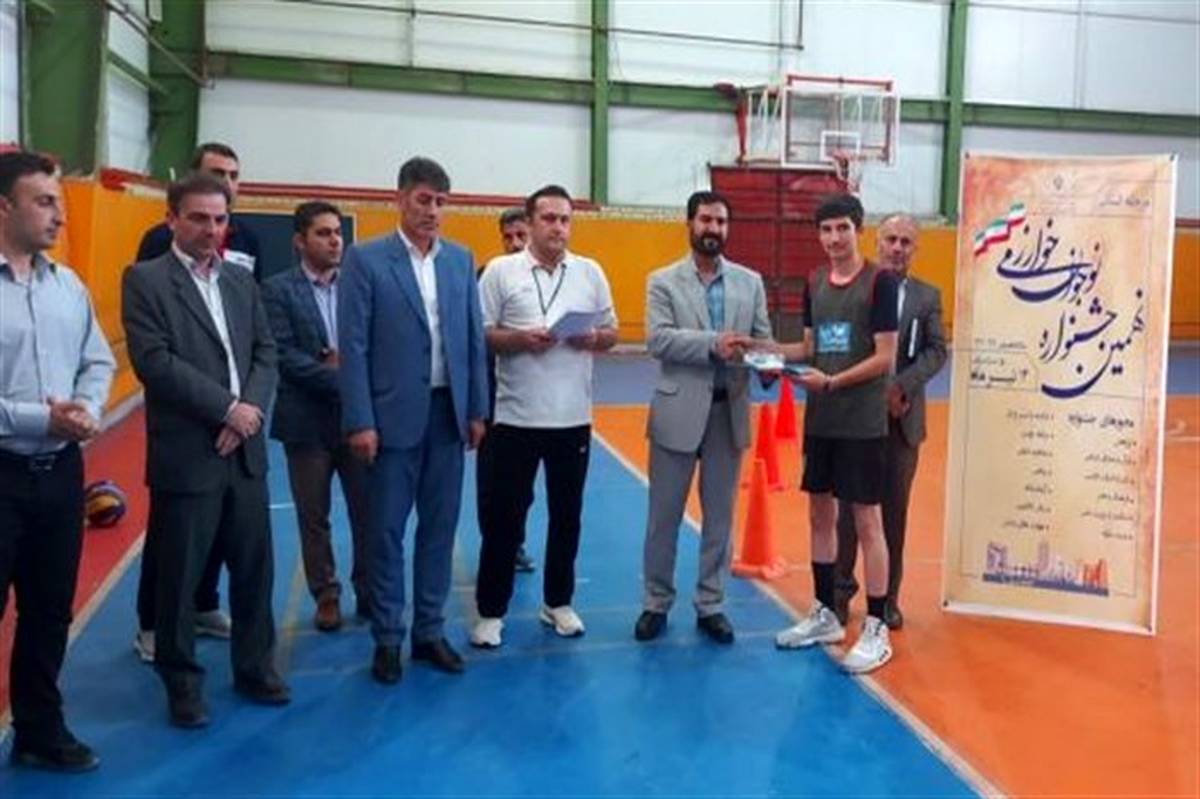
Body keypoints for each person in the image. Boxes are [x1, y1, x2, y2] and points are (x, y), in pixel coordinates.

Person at [122, 173, 287, 728]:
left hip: (245, 452)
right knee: (180, 578)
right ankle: (183, 684)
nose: (210, 229)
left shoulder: (240, 280)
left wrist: (249, 413)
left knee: (255, 570)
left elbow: (266, 351)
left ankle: (255, 667)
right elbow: (155, 362)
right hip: (189, 452)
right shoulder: (145, 281)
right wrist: (227, 409)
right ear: (171, 219)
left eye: (219, 219)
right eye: (198, 218)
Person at [339, 156, 488, 684]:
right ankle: (387, 637)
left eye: (441, 202)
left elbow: (473, 340)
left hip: (448, 415)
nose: (433, 211)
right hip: (389, 419)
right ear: (400, 199)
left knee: (440, 531)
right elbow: (353, 347)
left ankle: (429, 631)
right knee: (385, 533)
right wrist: (360, 419)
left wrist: (477, 408)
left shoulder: (460, 260)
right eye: (424, 200)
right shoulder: (365, 260)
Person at [0, 150, 114, 772]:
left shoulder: (67, 286)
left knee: (49, 610)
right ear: (4, 208)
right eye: (44, 201)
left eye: (60, 202)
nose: (59, 215)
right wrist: (40, 418)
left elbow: (97, 361)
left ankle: (39, 729)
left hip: (60, 474)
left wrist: (87, 409)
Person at [471, 185, 617, 648]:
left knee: (567, 516)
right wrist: (519, 340)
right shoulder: (500, 272)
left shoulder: (591, 271)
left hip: (573, 419)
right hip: (515, 418)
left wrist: (593, 338)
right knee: (504, 519)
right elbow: (480, 333)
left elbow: (612, 332)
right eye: (549, 218)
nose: (558, 227)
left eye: (565, 219)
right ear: (531, 223)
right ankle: (490, 611)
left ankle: (558, 602)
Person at [132, 141, 259, 659]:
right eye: (216, 173)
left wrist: (245, 411)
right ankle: (154, 623)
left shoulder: (245, 242)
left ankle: (205, 604)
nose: (225, 182)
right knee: (172, 537)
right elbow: (162, 344)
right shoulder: (155, 251)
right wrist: (223, 408)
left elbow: (253, 335)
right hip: (188, 422)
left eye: (233, 175)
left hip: (240, 425)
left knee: (228, 534)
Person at [634, 190, 771, 645]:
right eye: (706, 220)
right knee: (663, 518)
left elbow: (762, 339)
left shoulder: (750, 282)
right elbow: (659, 340)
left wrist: (770, 366)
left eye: (721, 222)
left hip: (728, 414)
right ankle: (656, 602)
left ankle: (711, 603)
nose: (714, 229)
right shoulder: (662, 281)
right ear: (690, 224)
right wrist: (713, 344)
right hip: (677, 412)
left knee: (719, 520)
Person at [772, 193, 899, 675]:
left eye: (842, 228)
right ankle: (826, 613)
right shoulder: (814, 283)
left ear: (858, 230)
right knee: (819, 515)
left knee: (867, 521)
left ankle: (877, 626)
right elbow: (807, 347)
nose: (834, 238)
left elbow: (885, 356)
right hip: (822, 422)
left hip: (861, 422)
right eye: (825, 230)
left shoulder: (880, 282)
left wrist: (831, 382)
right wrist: (760, 349)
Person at [834, 214, 947, 630]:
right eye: (891, 240)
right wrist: (868, 391)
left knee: (894, 515)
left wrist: (902, 386)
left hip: (903, 425)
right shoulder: (855, 288)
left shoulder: (927, 297)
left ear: (915, 249)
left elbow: (936, 351)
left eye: (906, 242)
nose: (897, 248)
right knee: (849, 514)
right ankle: (839, 594)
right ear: (876, 243)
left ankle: (886, 601)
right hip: (856, 421)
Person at [262, 201, 371, 632]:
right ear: (299, 241)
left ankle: (369, 589)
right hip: (305, 422)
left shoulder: (359, 285)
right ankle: (326, 595)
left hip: (357, 419)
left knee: (368, 512)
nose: (334, 241)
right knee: (313, 517)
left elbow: (374, 343)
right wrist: (345, 375)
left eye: (338, 233)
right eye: (323, 233)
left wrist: (346, 369)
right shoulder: (276, 290)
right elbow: (282, 354)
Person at [478, 207, 535, 575]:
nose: (514, 244)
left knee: (523, 484)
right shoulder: (487, 277)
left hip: (532, 400)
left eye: (520, 236)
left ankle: (515, 542)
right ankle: (496, 546)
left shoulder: (548, 278)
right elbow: (476, 340)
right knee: (491, 481)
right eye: (508, 237)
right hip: (492, 399)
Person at [136, 142, 261, 277]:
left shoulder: (248, 239)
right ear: (194, 177)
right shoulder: (160, 238)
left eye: (233, 176)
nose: (228, 183)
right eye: (218, 174)